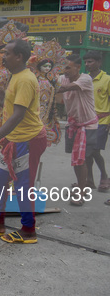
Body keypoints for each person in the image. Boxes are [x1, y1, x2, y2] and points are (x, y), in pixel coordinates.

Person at [0, 39, 47, 244]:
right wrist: (0, 99)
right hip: (13, 139)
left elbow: (17, 116)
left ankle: (28, 230)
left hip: (28, 140)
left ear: (19, 57)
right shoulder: (15, 76)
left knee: (23, 186)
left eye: (7, 53)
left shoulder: (25, 79)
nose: (3, 57)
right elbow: (15, 107)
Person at [57, 54, 98, 206]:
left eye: (68, 67)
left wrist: (48, 84)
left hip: (87, 126)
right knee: (77, 160)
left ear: (77, 67)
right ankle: (82, 185)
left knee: (82, 160)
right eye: (63, 68)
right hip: (73, 125)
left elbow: (65, 88)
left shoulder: (85, 78)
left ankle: (80, 191)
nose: (65, 71)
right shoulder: (63, 79)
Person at [83, 51, 110, 193]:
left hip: (102, 120)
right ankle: (90, 180)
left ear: (99, 62)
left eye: (91, 61)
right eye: (86, 62)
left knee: (94, 150)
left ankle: (105, 176)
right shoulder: (84, 79)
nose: (87, 64)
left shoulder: (107, 79)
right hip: (86, 121)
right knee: (87, 152)